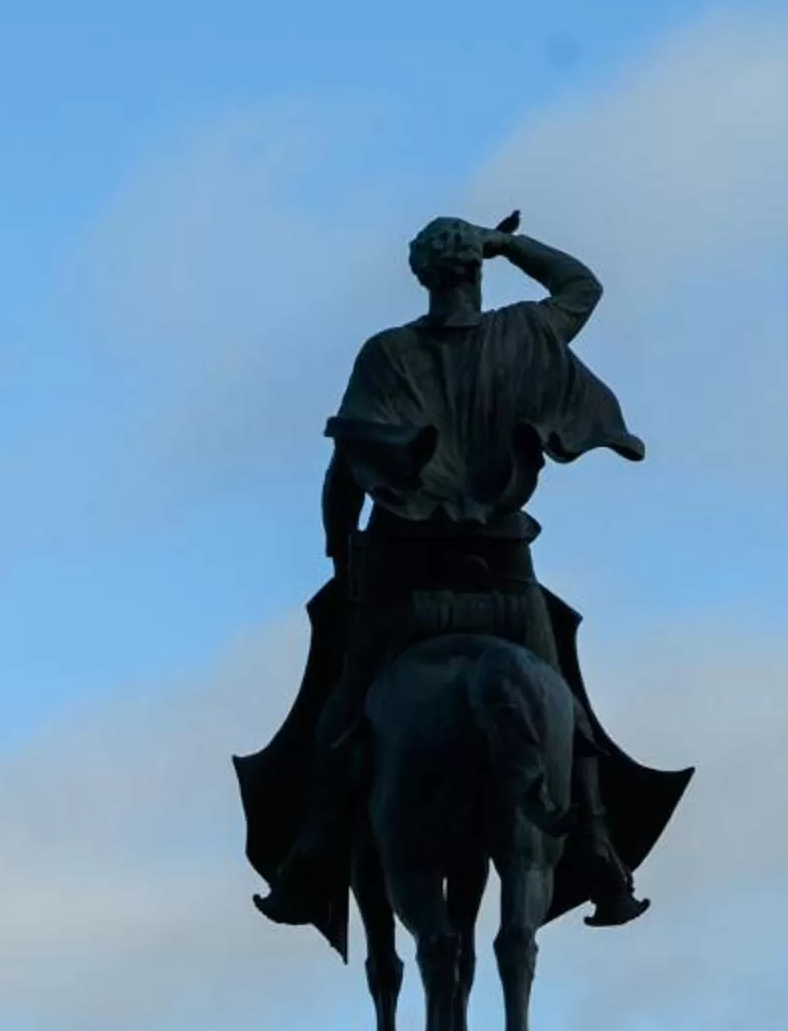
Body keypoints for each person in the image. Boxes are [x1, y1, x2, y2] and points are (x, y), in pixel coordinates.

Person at [241, 211, 687, 948]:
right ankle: (601, 851)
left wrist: (339, 553)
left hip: (404, 568)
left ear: (421, 275)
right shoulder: (526, 333)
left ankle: (311, 848)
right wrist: (509, 243)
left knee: (343, 701)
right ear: (477, 267)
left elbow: (347, 467)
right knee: (562, 700)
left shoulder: (387, 354)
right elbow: (582, 286)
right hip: (502, 568)